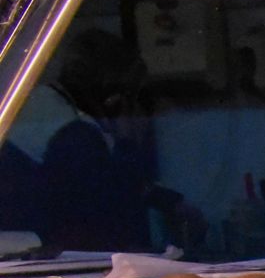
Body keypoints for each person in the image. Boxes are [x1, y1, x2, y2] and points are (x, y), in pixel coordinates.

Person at [0, 29, 204, 253]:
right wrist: (127, 141)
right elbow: (109, 207)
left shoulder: (41, 103)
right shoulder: (73, 134)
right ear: (112, 94)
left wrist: (169, 201)